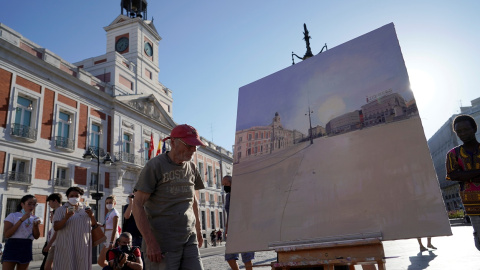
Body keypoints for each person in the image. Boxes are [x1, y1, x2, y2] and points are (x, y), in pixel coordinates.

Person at [133, 124, 206, 269]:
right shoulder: (155, 166)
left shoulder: (192, 167)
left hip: (189, 238)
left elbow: (193, 201)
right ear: (173, 142)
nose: (193, 150)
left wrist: (198, 230)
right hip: (162, 241)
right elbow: (137, 204)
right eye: (189, 145)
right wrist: (150, 242)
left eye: (195, 146)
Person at [446, 114, 480, 251]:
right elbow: (453, 175)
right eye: (459, 131)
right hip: (471, 203)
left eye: (466, 129)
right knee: (479, 236)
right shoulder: (453, 154)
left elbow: (459, 174)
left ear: (474, 128)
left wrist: (466, 175)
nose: (463, 134)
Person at [53, 186, 98, 269]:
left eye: (76, 196)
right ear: (67, 197)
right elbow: (56, 227)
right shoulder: (60, 210)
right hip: (66, 246)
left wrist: (92, 216)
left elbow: (94, 225)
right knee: (66, 266)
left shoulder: (86, 209)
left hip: (83, 246)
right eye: (71, 196)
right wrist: (66, 218)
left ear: (80, 197)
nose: (74, 198)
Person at [222, 175, 255, 270]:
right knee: (229, 256)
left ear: (232, 183)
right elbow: (229, 213)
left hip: (244, 228)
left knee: (247, 257)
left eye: (226, 184)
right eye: (223, 184)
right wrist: (227, 228)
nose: (224, 186)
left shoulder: (243, 193)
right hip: (233, 229)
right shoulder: (228, 196)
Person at [2, 194, 41, 270]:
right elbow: (7, 234)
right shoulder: (12, 215)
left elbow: (36, 236)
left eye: (34, 204)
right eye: (29, 204)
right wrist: (21, 220)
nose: (32, 207)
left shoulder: (35, 218)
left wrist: (36, 226)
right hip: (12, 245)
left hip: (26, 246)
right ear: (22, 204)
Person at [42, 193, 62, 270]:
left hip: (56, 244)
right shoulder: (58, 211)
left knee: (47, 267)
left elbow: (57, 230)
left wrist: (49, 244)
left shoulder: (58, 212)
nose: (49, 204)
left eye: (49, 202)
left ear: (55, 201)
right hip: (56, 243)